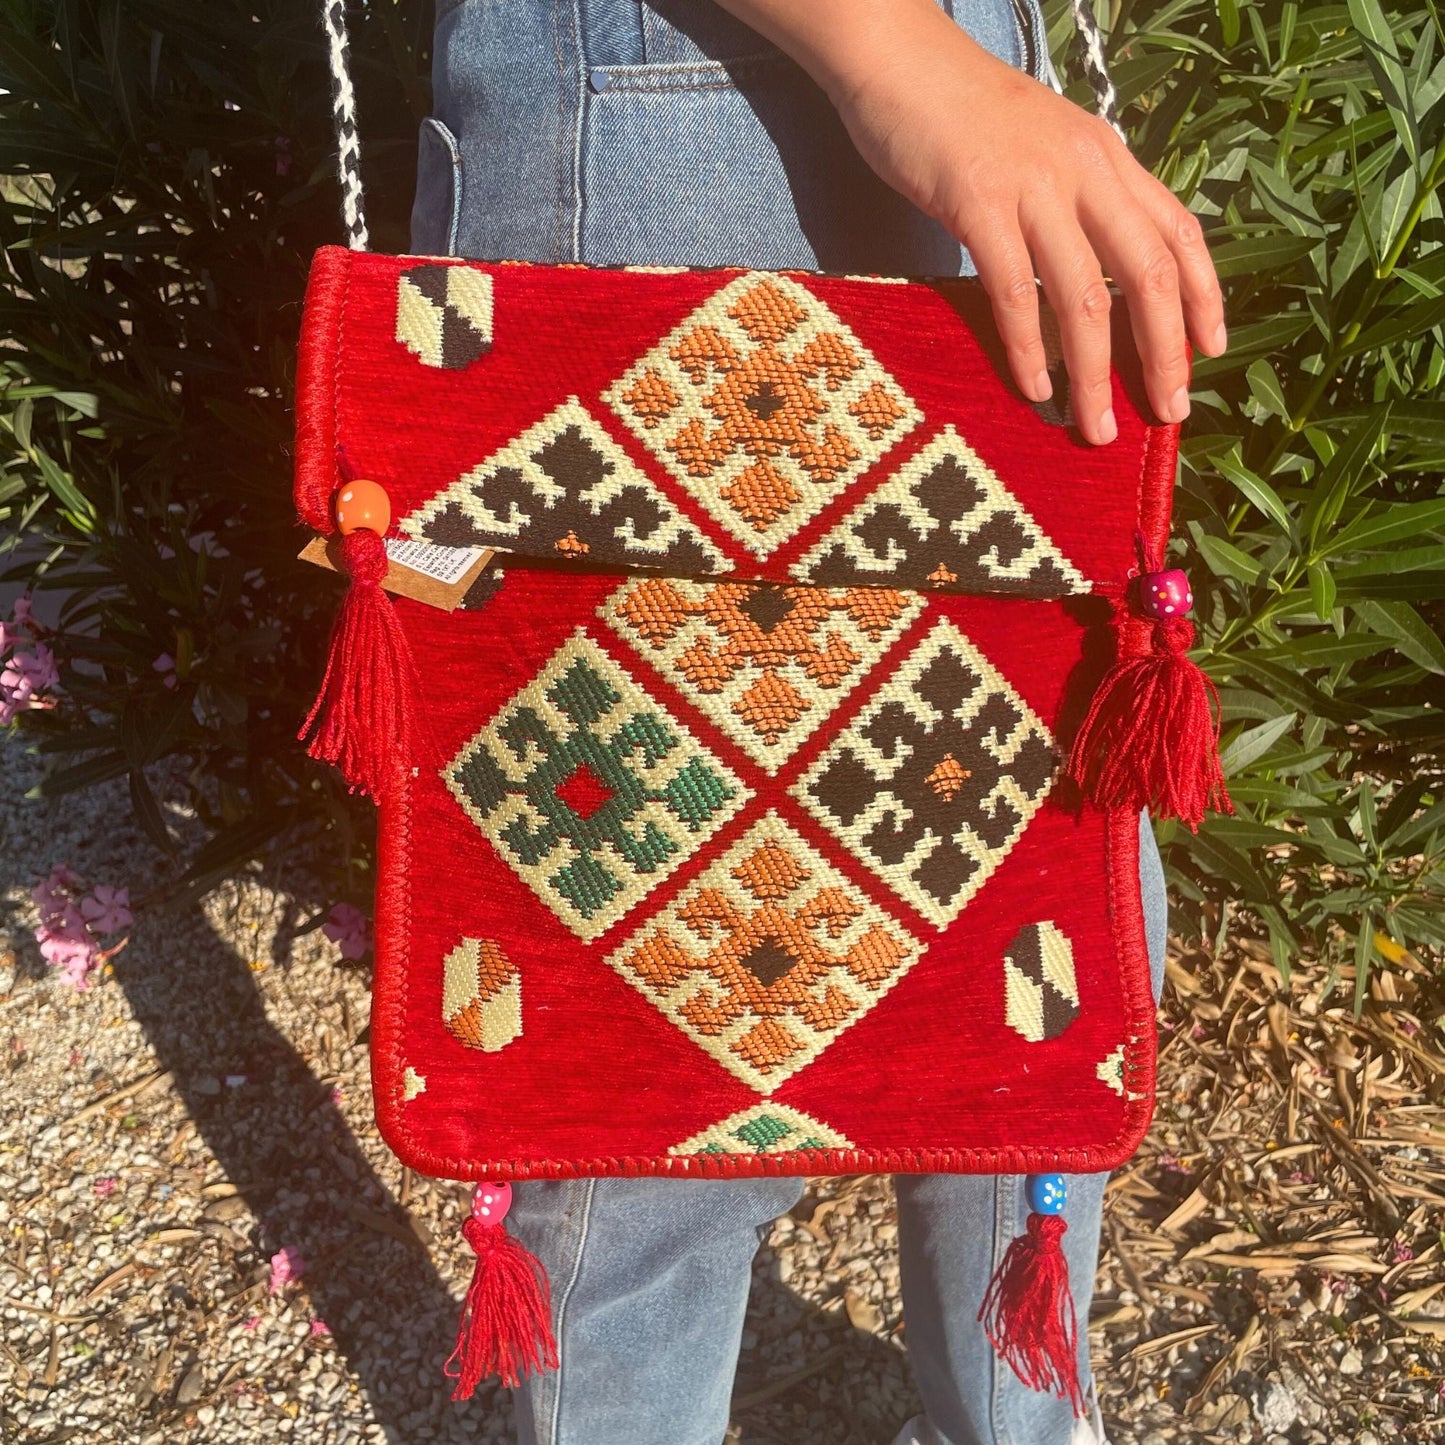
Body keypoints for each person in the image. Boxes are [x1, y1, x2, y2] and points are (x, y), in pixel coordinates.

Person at [409, 2, 1226, 1441]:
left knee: (1026, 910)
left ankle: (1023, 1422)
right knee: (647, 1025)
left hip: (911, 87)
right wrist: (900, 57)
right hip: (687, 89)